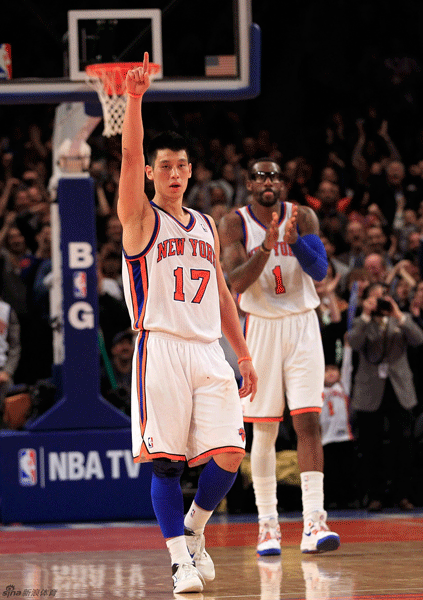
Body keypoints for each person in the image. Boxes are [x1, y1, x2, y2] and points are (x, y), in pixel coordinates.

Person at [117, 54, 257, 594]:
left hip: (207, 350)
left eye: (182, 166)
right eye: (165, 166)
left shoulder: (203, 224)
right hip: (160, 348)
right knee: (168, 466)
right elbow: (129, 154)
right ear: (153, 172)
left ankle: (195, 529)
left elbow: (221, 290)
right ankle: (179, 561)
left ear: (191, 170)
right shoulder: (140, 217)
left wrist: (240, 351)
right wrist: (133, 97)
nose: (174, 174)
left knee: (229, 453)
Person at [219, 157, 340, 556]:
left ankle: (314, 522)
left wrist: (297, 240)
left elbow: (320, 271)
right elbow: (234, 282)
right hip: (261, 326)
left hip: (303, 324)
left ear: (282, 184)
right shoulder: (233, 224)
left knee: (308, 421)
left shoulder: (303, 215)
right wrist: (268, 248)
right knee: (265, 429)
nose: (267, 181)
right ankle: (267, 525)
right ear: (249, 185)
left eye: (273, 176)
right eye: (259, 176)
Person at [346, 282, 423, 511]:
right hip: (370, 391)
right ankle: (374, 496)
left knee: (404, 444)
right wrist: (366, 316)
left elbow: (419, 339)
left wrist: (398, 314)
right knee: (371, 445)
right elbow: (353, 342)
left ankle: (403, 495)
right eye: (374, 297)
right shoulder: (362, 322)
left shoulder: (401, 318)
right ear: (367, 300)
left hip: (399, 389)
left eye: (383, 297)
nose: (380, 301)